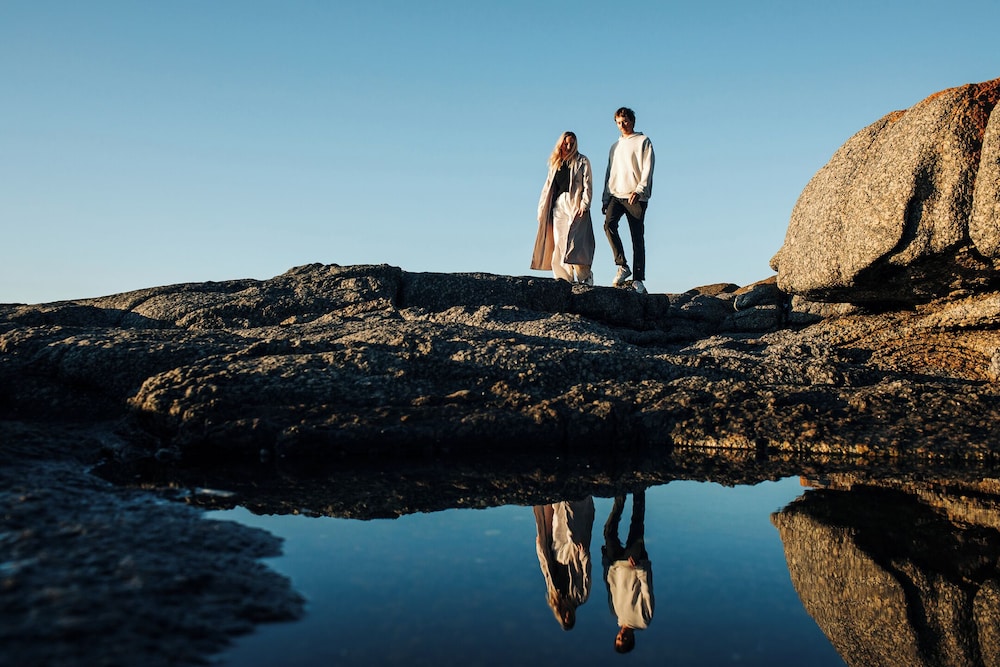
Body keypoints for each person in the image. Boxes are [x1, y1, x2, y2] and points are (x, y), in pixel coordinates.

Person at [531, 131, 596, 285]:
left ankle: (585, 275)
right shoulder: (556, 163)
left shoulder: (582, 161)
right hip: (558, 204)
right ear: (560, 144)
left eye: (571, 144)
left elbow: (588, 184)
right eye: (565, 143)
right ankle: (563, 277)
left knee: (576, 242)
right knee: (559, 240)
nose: (568, 146)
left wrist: (585, 204)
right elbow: (547, 187)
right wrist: (541, 209)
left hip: (575, 203)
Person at [602, 107, 654, 294]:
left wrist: (640, 190)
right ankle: (622, 265)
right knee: (609, 225)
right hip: (616, 194)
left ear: (632, 121)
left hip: (635, 196)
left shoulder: (643, 141)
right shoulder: (614, 146)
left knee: (637, 237)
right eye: (618, 122)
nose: (622, 125)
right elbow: (610, 172)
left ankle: (638, 279)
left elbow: (648, 167)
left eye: (625, 121)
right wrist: (605, 197)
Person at [602, 489, 654, 653]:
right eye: (624, 639)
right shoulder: (643, 621)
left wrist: (606, 562)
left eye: (618, 638)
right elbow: (647, 590)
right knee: (637, 524)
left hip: (616, 563)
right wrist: (639, 568)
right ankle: (640, 489)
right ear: (631, 639)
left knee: (608, 531)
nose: (621, 636)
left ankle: (620, 495)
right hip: (634, 564)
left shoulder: (615, 613)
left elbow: (610, 586)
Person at [533, 497, 596, 630]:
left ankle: (557, 495)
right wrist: (583, 555)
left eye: (565, 617)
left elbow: (546, 571)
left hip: (557, 552)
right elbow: (586, 574)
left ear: (560, 615)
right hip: (573, 555)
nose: (567, 614)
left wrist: (540, 549)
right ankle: (573, 496)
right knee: (572, 522)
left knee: (558, 518)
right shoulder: (580, 597)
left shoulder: (554, 596)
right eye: (570, 617)